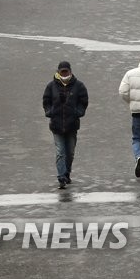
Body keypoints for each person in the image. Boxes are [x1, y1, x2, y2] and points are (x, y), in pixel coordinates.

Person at [42, 61, 89, 189]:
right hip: (56, 126)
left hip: (72, 125)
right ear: (58, 72)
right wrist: (49, 112)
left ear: (70, 71)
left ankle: (67, 173)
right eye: (62, 72)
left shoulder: (79, 86)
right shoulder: (51, 86)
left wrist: (78, 112)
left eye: (66, 71)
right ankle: (61, 177)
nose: (64, 74)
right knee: (60, 152)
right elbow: (46, 101)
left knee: (70, 153)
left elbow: (84, 101)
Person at [119, 48, 140, 179]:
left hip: (137, 111)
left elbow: (122, 91)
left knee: (137, 138)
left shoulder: (130, 73)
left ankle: (139, 156)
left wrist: (132, 102)